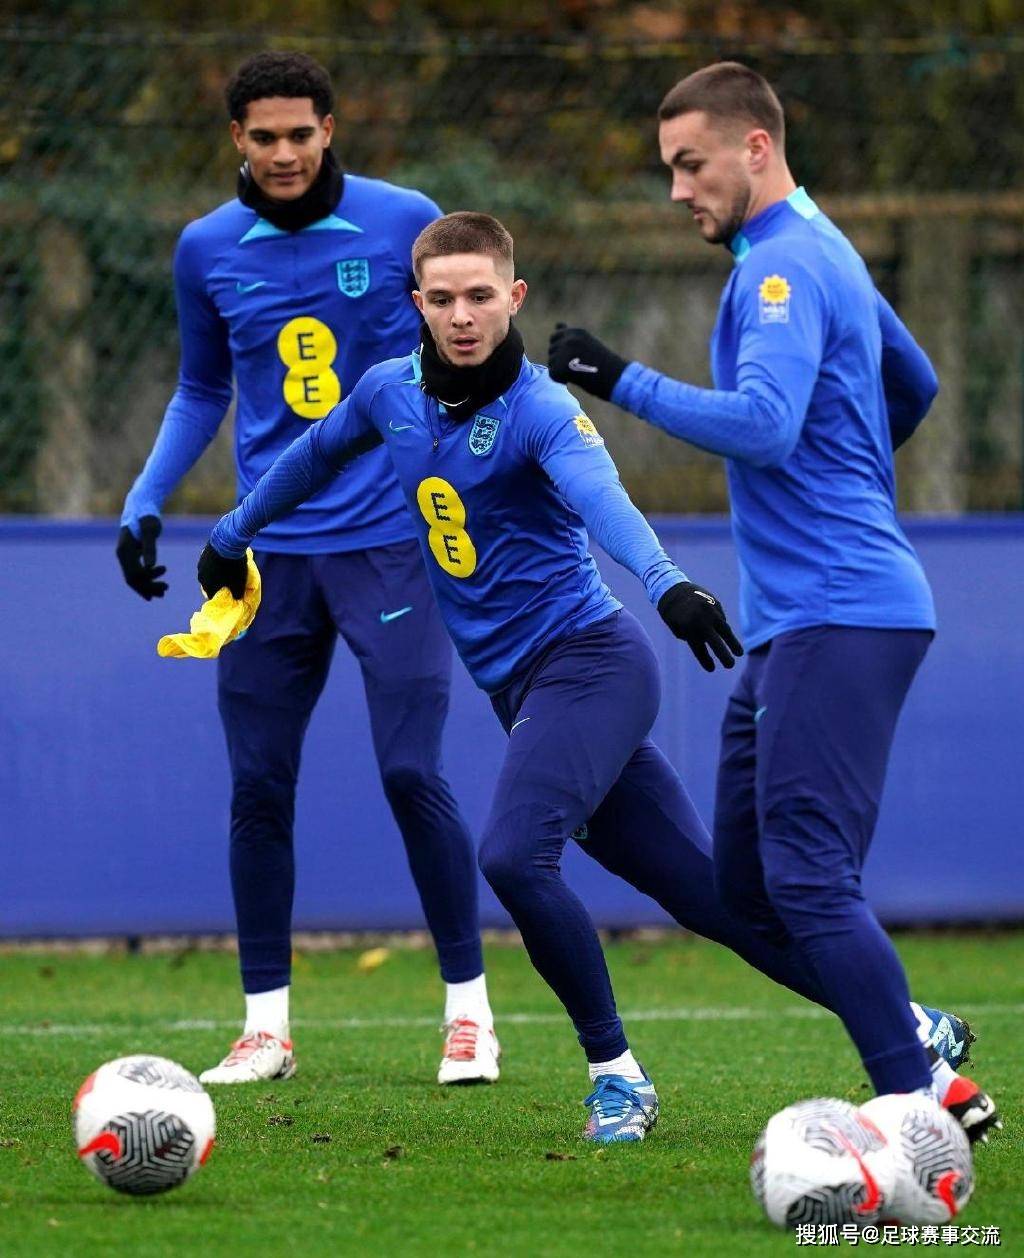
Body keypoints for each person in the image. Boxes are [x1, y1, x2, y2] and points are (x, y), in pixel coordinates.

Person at [197, 211, 974, 1143]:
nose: (462, 315)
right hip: (524, 691)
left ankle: (617, 1077)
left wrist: (668, 584)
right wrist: (231, 534)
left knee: (512, 855)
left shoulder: (541, 410)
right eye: (442, 298)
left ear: (514, 297)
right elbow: (316, 452)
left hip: (593, 666)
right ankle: (913, 1029)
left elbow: (606, 502)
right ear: (416, 304)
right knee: (714, 900)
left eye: (480, 295)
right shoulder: (386, 392)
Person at [547, 62, 999, 1141]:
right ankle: (926, 1070)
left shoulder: (784, 267)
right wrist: (850, 470)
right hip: (809, 617)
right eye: (670, 169)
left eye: (690, 164)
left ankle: (916, 1109)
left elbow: (764, 424)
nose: (676, 190)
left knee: (810, 878)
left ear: (755, 147)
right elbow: (915, 382)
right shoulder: (821, 243)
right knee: (748, 888)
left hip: (840, 610)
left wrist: (617, 378)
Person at [116, 52, 497, 1087]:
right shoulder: (205, 247)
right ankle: (265, 1029)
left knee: (412, 771)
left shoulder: (401, 220)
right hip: (266, 558)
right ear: (236, 139)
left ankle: (470, 1014)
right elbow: (203, 388)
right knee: (257, 785)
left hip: (391, 545)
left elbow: (462, 351)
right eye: (263, 136)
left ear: (329, 129)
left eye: (299, 133)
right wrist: (146, 498)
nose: (282, 153)